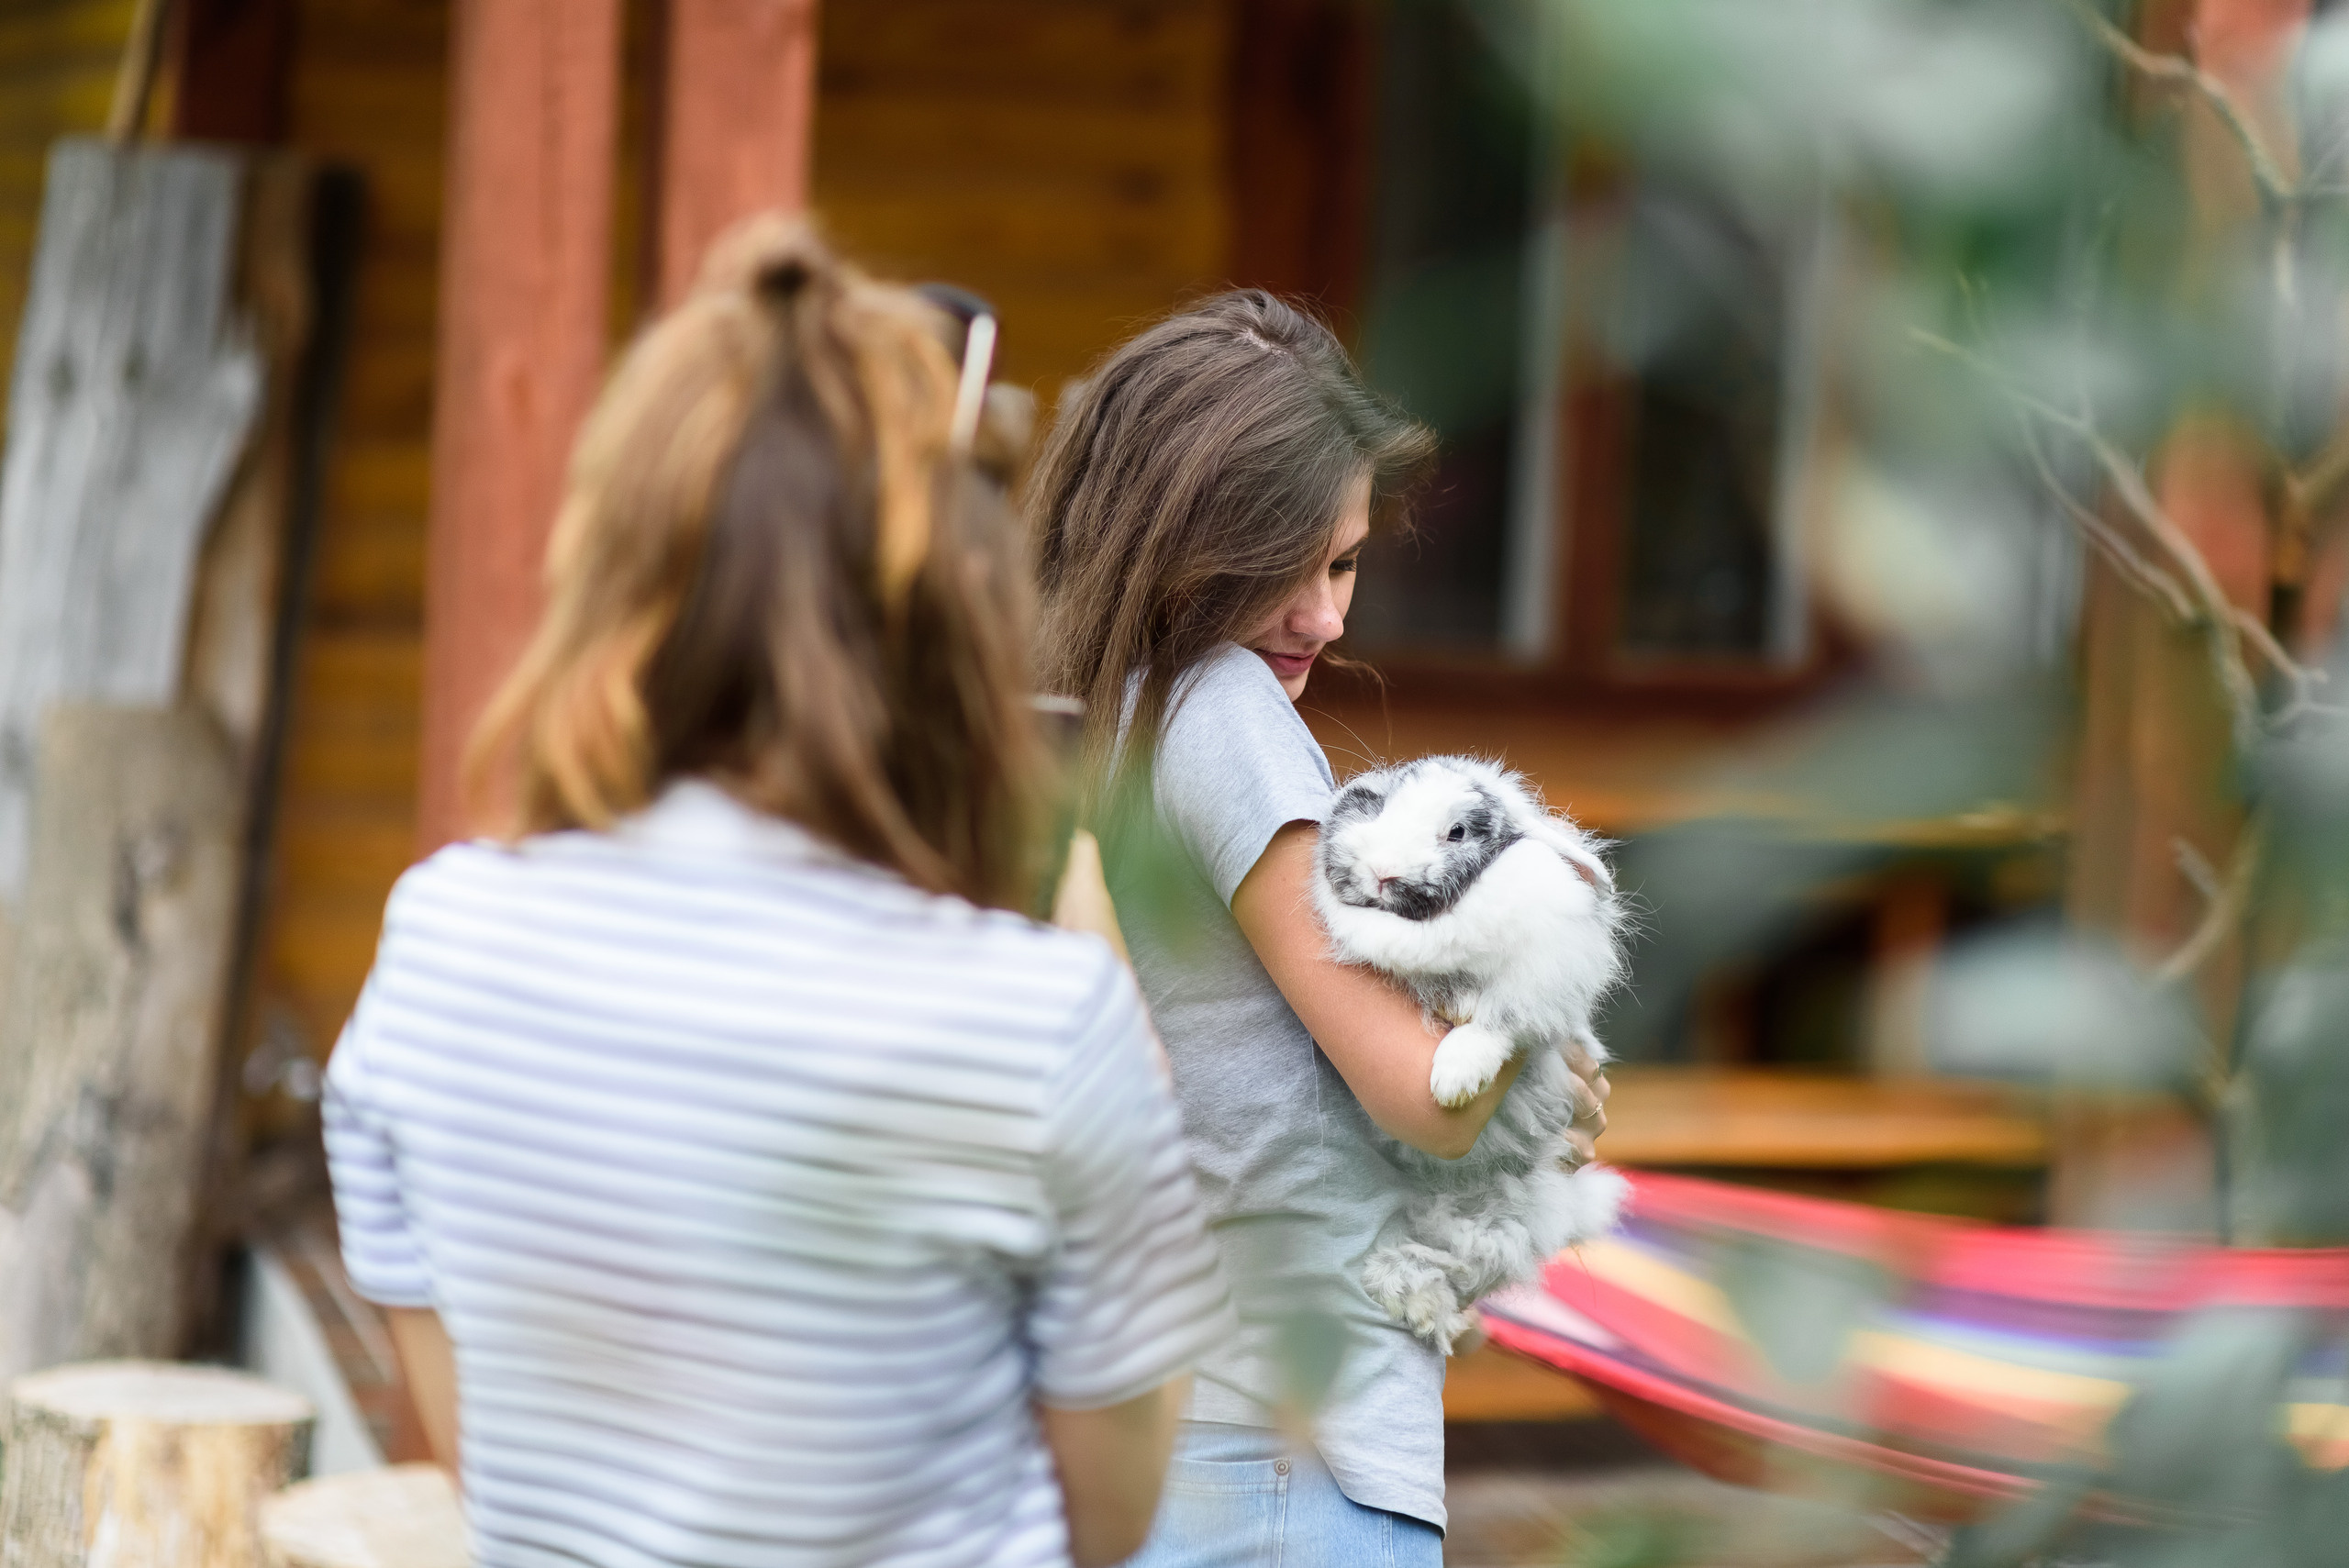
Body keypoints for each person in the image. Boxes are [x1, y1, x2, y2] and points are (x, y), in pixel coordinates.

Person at [322, 217, 1233, 1568]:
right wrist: (1089, 954)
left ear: (612, 572)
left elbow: (490, 1465)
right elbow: (1115, 1514)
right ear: (948, 615)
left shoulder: (433, 945)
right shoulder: (1039, 1020)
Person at [1031, 291, 1611, 1565]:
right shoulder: (1222, 709)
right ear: (1178, 542)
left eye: (1342, 563)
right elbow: (1426, 1099)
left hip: (1168, 1412)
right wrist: (1534, 1002)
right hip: (1293, 1451)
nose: (1326, 616)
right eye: (1280, 568)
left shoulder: (1087, 714)